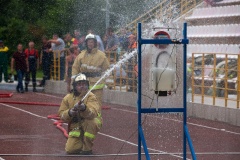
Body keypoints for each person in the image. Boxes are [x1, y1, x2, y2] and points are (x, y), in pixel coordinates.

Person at [58, 73, 102, 155]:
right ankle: (81, 141)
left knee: (90, 122)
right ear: (74, 86)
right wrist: (70, 112)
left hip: (92, 121)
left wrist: (84, 108)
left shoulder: (91, 96)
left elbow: (92, 114)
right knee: (70, 150)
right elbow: (61, 115)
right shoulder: (68, 98)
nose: (82, 86)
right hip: (76, 125)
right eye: (79, 84)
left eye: (84, 84)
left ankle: (87, 149)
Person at [72, 34, 110, 107]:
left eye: (92, 42)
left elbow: (107, 69)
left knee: (96, 104)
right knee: (83, 103)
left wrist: (106, 81)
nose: (90, 44)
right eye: (89, 42)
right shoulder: (81, 55)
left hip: (97, 85)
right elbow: (75, 68)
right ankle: (84, 118)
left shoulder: (101, 55)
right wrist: (74, 81)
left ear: (95, 43)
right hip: (83, 84)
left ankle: (97, 118)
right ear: (86, 43)